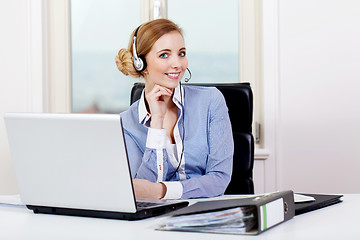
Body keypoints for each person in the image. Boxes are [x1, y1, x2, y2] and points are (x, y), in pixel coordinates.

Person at [115, 19, 233, 200]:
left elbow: (219, 178)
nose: (177, 64)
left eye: (181, 53)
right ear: (142, 64)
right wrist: (157, 121)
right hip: (152, 219)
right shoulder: (126, 124)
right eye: (164, 55)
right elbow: (139, 191)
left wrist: (163, 191)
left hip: (205, 212)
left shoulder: (211, 102)